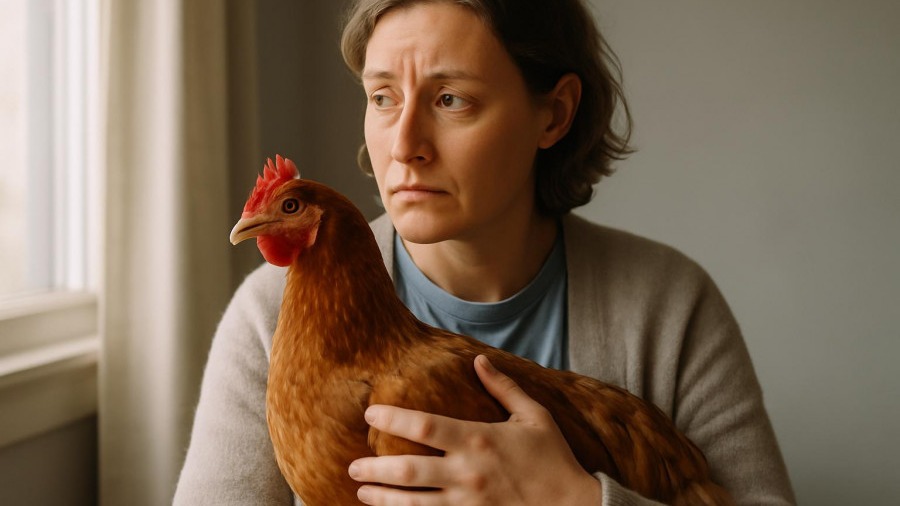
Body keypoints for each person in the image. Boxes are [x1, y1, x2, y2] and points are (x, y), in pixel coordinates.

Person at [175, 0, 796, 504]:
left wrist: (572, 501)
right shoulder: (267, 316)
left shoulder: (668, 306)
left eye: (451, 99)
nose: (405, 144)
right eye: (383, 97)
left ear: (553, 115)